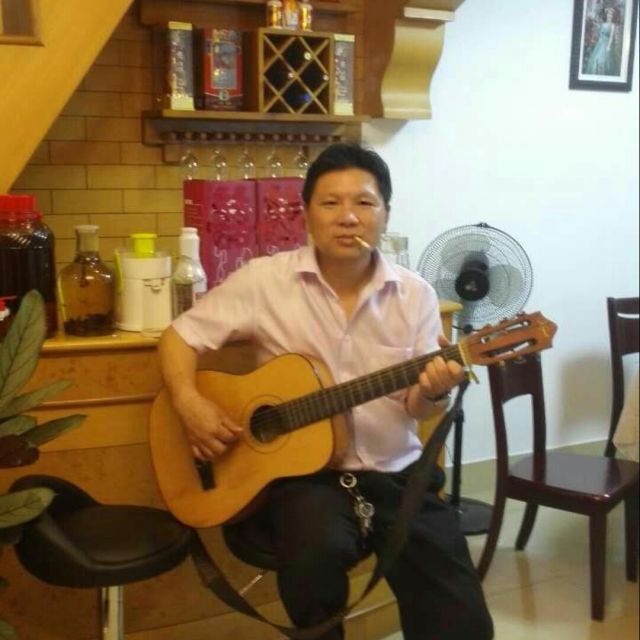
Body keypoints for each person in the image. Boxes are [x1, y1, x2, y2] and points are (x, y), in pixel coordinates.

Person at [158, 142, 494, 640]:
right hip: (306, 479)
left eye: (364, 203)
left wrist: (434, 391)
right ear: (306, 213)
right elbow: (179, 338)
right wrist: (189, 403)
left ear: (385, 214)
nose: (348, 217)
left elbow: (418, 406)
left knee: (459, 611)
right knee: (311, 562)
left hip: (398, 474)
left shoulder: (415, 294)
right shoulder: (264, 282)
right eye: (330, 202)